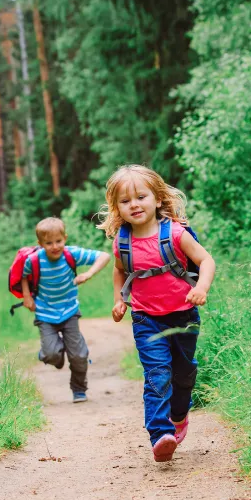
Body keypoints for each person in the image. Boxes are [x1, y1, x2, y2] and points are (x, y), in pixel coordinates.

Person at [99, 164, 216, 462]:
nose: (134, 205)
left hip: (183, 316)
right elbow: (119, 271)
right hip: (146, 318)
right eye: (125, 201)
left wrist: (201, 288)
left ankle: (178, 417)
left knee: (183, 373)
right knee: (157, 373)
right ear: (117, 208)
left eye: (141, 197)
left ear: (158, 199)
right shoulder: (122, 241)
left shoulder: (176, 234)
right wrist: (119, 300)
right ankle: (160, 434)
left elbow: (206, 261)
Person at [21, 217, 110, 403]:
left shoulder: (71, 254)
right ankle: (51, 354)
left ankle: (79, 389)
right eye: (49, 243)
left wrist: (89, 273)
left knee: (78, 355)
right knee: (52, 354)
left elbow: (104, 256)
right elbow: (23, 275)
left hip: (69, 311)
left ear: (65, 238)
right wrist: (27, 296)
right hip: (45, 314)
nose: (55, 246)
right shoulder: (34, 260)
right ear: (40, 244)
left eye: (58, 241)